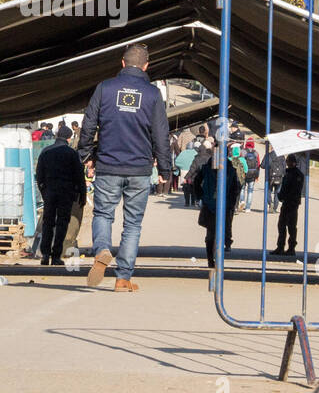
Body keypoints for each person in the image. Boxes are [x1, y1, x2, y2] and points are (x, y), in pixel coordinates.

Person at [76, 43, 172, 291]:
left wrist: (85, 153)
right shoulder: (152, 94)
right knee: (132, 224)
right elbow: (161, 135)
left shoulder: (105, 88)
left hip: (108, 165)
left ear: (122, 63)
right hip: (139, 170)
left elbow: (88, 124)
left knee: (103, 214)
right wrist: (165, 170)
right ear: (146, 66)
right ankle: (123, 278)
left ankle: (102, 249)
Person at [34, 123, 84, 264]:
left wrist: (44, 191)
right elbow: (79, 176)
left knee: (48, 223)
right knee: (62, 223)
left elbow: (39, 175)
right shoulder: (72, 154)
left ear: (56, 136)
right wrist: (82, 195)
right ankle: (56, 255)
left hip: (50, 191)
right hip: (66, 193)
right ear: (69, 138)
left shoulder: (46, 151)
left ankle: (45, 255)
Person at [198, 137, 242, 268]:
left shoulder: (223, 169)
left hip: (215, 205)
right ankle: (214, 258)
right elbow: (236, 187)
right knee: (217, 233)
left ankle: (213, 259)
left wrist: (202, 196)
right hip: (219, 205)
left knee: (212, 235)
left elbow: (197, 181)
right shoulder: (226, 168)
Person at [275, 154, 306, 256]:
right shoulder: (289, 173)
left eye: (288, 161)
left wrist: (283, 195)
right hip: (287, 202)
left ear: (292, 162)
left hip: (292, 203)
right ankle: (280, 247)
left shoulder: (297, 175)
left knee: (291, 226)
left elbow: (293, 189)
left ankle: (291, 248)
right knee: (282, 225)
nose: (286, 163)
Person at [175, 142, 198, 209]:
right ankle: (193, 202)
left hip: (184, 171)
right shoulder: (195, 153)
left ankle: (187, 202)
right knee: (193, 187)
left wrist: (182, 166)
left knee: (186, 188)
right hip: (193, 172)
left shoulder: (183, 153)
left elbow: (177, 161)